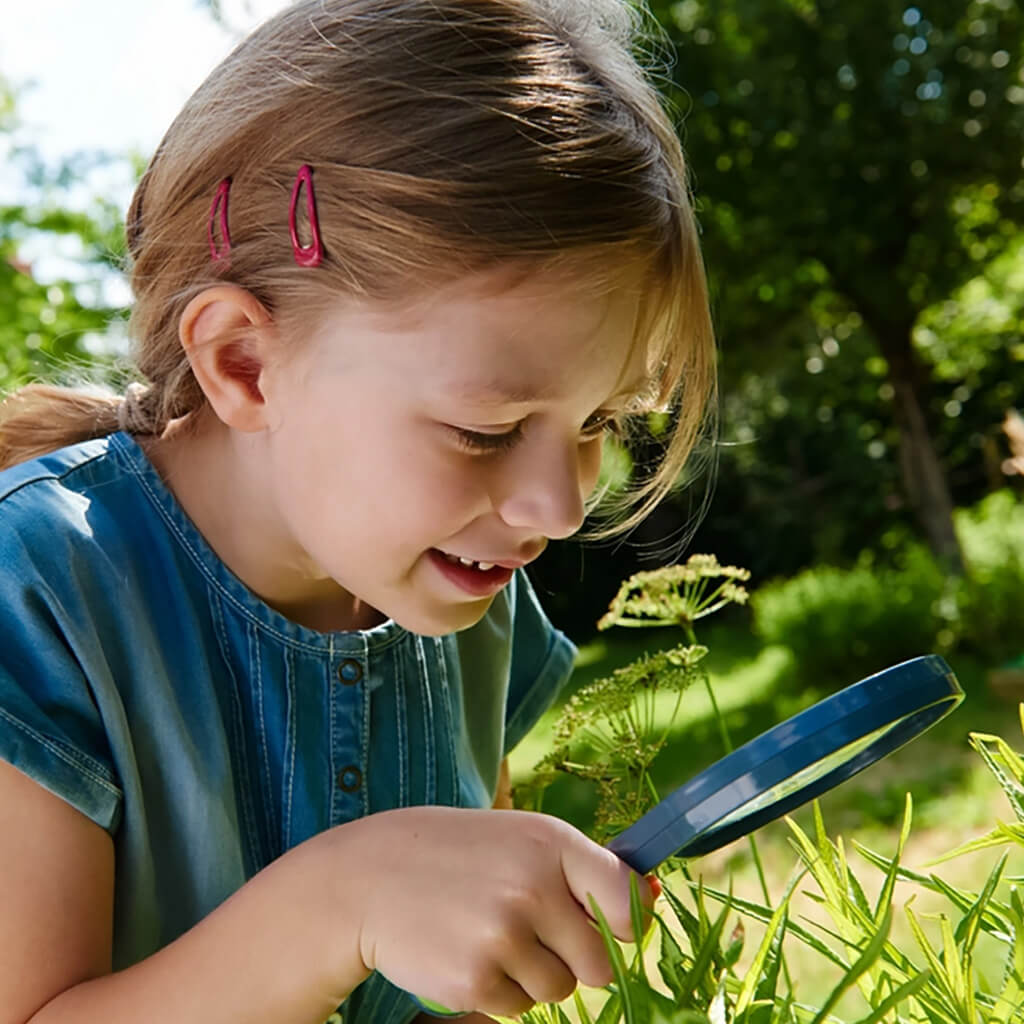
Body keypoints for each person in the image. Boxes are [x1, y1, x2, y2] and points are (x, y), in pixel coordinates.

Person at [0, 1, 715, 1022]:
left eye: (601, 420)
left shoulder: (463, 598)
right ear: (244, 364)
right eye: (485, 430)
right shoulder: (37, 594)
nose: (558, 508)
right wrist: (345, 901)